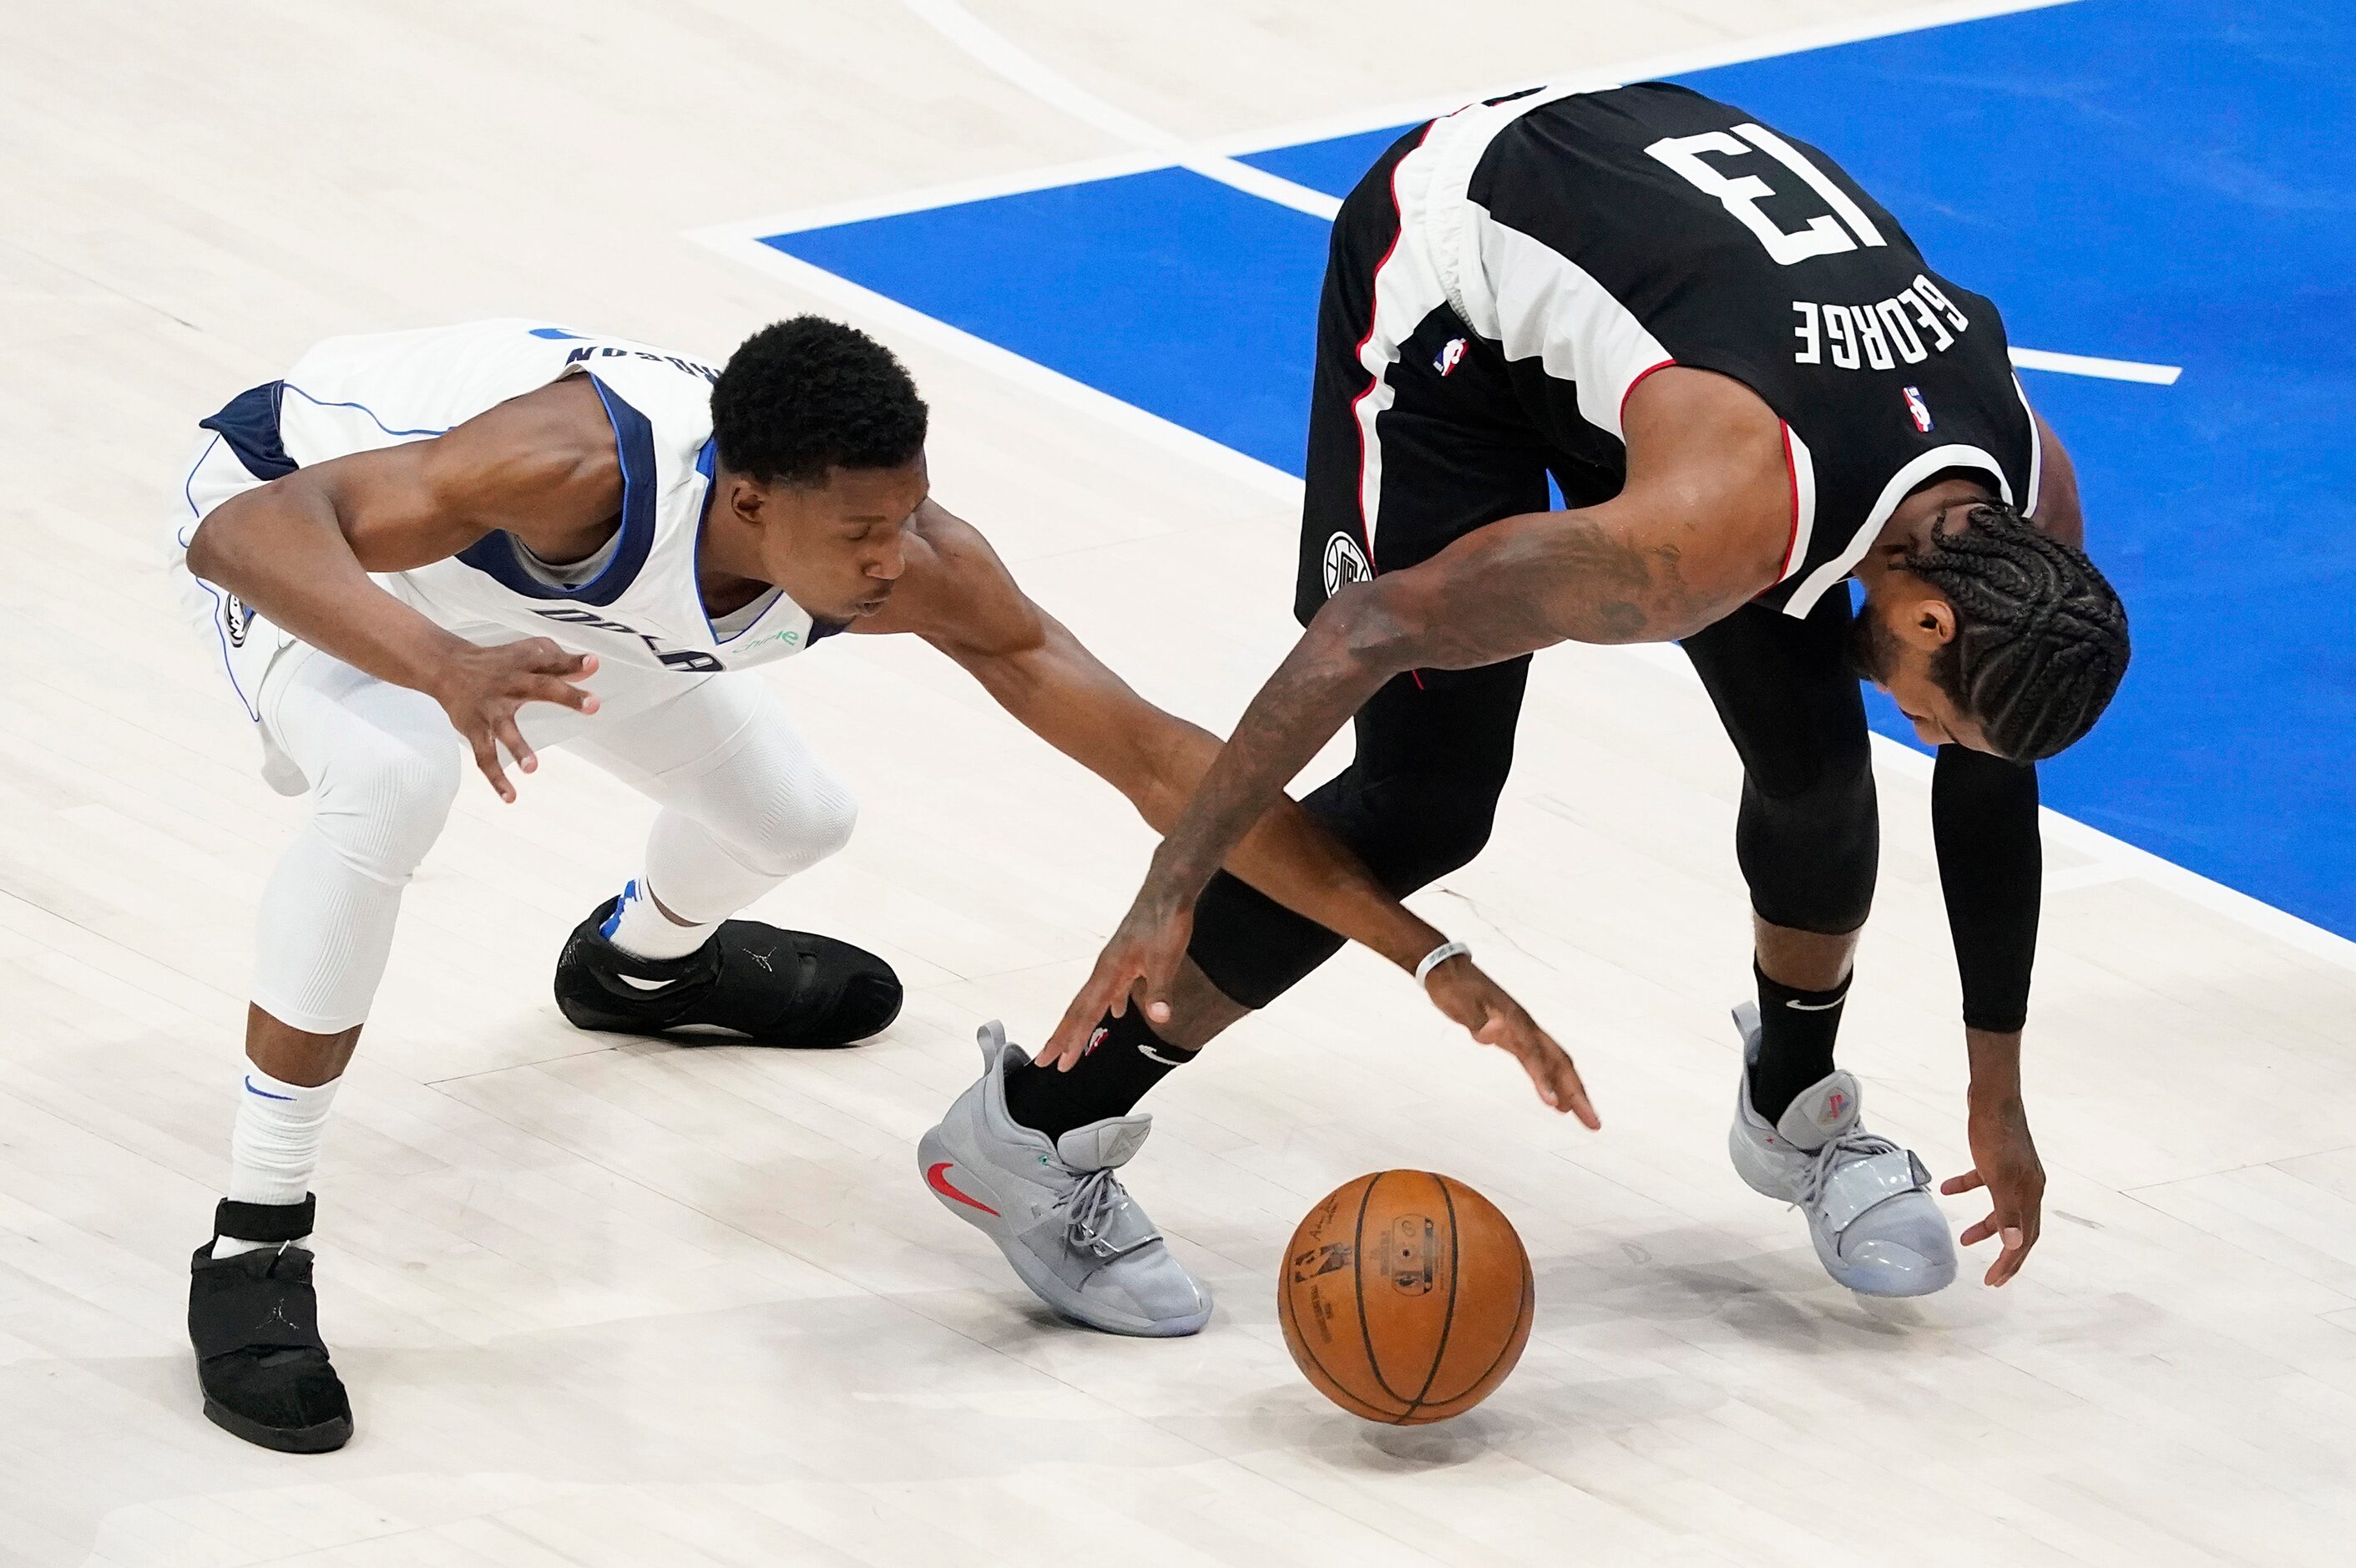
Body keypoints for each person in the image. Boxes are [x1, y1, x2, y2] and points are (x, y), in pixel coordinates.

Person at [169, 316, 1569, 1451]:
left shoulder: (909, 560)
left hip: (530, 616)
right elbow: (249, 537)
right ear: (749, 498)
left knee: (795, 815)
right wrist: (437, 669)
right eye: (858, 536)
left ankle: (636, 966)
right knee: (392, 780)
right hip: (313, 540)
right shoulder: (574, 461)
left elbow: (1158, 758)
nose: (889, 560)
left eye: (904, 518)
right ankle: (253, 1238)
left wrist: (1424, 955)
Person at [931, 81, 2129, 1323]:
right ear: (1928, 616)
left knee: (1821, 768)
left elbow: (1990, 780)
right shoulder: (1706, 527)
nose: (1929, 733)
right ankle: (1033, 1126)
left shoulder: (2025, 513)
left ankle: (1791, 1107)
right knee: (1425, 795)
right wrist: (1165, 890)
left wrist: (1997, 1087)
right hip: (1453, 281)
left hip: (1678, 316)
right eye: (1938, 714)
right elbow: (1366, 629)